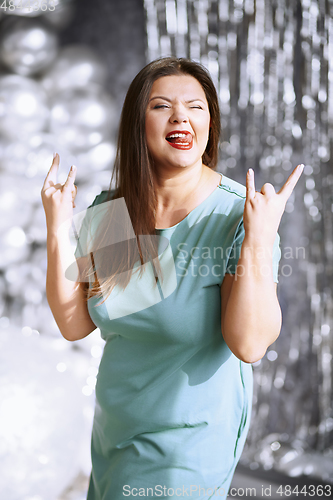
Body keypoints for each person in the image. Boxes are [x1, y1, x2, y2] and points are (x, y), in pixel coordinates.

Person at [41, 57, 303, 499]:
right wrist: (57, 226)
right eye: (162, 106)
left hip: (188, 445)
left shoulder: (240, 215)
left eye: (195, 107)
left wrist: (258, 238)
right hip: (117, 437)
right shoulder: (116, 211)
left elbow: (250, 344)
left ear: (210, 123)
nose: (181, 116)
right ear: (137, 123)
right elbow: (75, 324)